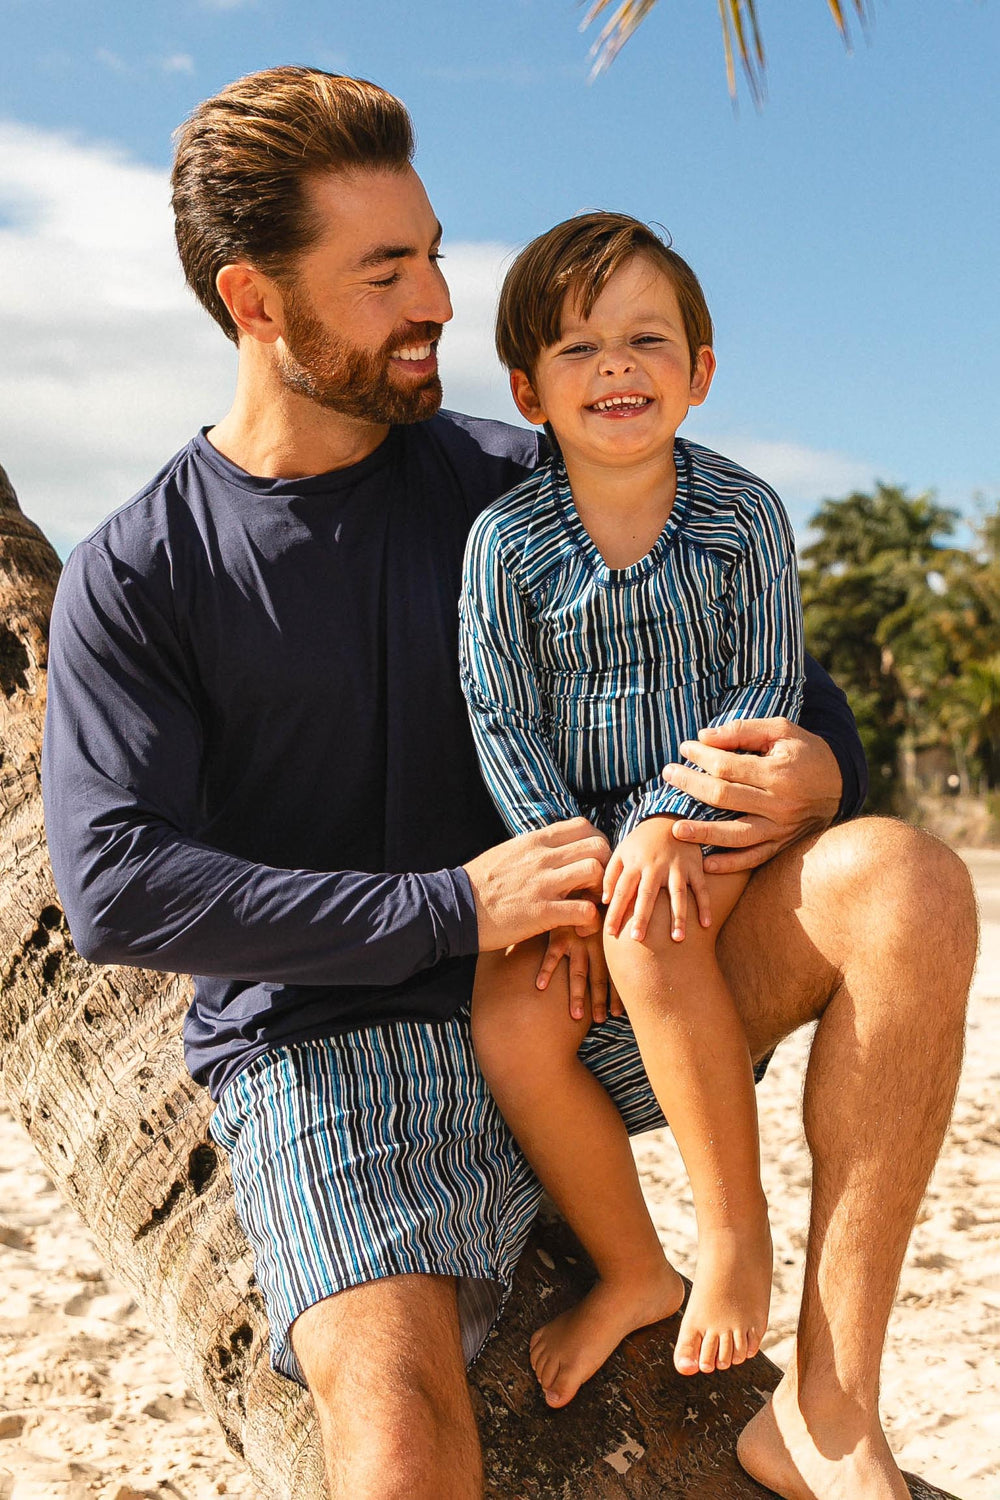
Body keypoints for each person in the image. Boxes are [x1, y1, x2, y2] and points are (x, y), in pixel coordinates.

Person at [39, 66, 975, 1500]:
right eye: (384, 271)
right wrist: (449, 910)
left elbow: (764, 674)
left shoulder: (524, 486)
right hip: (332, 1054)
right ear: (254, 300)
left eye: (429, 249)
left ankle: (831, 1409)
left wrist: (811, 772)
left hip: (594, 993)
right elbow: (116, 885)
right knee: (402, 1448)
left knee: (900, 881)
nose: (437, 301)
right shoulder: (143, 569)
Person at [461, 212, 803, 1402]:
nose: (615, 365)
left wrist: (664, 817)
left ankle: (735, 1233)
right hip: (570, 840)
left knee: (649, 934)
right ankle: (635, 1268)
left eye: (646, 339)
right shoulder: (506, 544)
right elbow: (496, 716)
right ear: (526, 391)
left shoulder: (744, 518)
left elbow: (766, 684)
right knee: (507, 1020)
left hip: (706, 819)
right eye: (575, 347)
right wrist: (575, 872)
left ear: (699, 375)